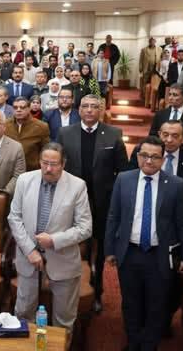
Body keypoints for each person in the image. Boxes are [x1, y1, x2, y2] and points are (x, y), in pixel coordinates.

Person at [105, 136, 183, 351]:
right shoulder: (124, 179)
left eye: (155, 157)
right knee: (130, 303)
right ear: (137, 156)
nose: (149, 161)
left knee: (157, 304)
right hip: (129, 252)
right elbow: (113, 216)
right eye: (144, 155)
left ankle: (149, 345)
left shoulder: (176, 185)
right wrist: (109, 249)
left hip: (160, 255)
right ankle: (133, 343)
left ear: (163, 159)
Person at [57, 94, 128, 312]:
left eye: (94, 106)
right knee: (73, 247)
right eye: (85, 106)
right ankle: (69, 290)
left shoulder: (114, 134)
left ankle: (96, 291)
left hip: (101, 202)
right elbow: (59, 166)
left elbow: (123, 172)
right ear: (79, 110)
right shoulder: (65, 133)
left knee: (98, 250)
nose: (89, 110)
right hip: (71, 201)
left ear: (101, 110)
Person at [9, 143, 91, 329]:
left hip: (63, 262)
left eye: (53, 164)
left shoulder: (77, 186)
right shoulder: (24, 180)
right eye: (44, 163)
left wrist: (54, 240)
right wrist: (29, 250)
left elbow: (85, 227)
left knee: (63, 321)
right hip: (29, 260)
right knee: (23, 315)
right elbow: (14, 217)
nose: (48, 169)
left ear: (63, 164)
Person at [149, 84, 183, 152]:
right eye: (170, 94)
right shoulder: (160, 114)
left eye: (175, 95)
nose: (171, 98)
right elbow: (153, 135)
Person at [5, 97, 49, 171]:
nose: (18, 110)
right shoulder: (5, 125)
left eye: (22, 107)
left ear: (29, 109)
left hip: (31, 170)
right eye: (15, 107)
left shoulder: (41, 126)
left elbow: (45, 150)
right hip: (9, 169)